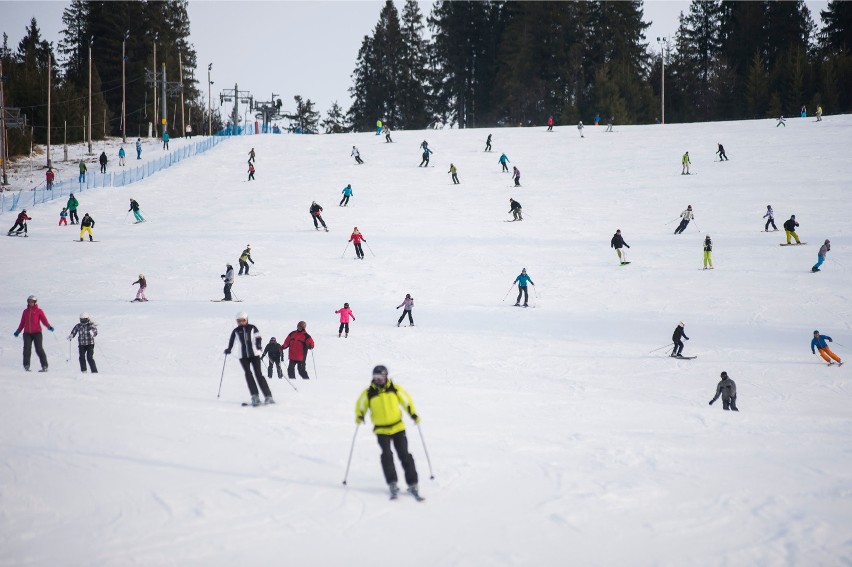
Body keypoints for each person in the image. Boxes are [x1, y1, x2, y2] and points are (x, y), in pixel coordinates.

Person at [355, 365, 421, 499]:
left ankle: (412, 483)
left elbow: (407, 401)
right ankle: (392, 482)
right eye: (375, 378)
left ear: (386, 377)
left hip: (398, 427)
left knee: (404, 455)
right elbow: (360, 405)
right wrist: (360, 415)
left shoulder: (395, 389)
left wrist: (413, 414)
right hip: (381, 429)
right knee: (386, 455)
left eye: (380, 377)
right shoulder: (369, 393)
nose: (378, 380)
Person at [225, 312, 274, 406]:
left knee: (258, 374)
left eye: (243, 320)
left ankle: (268, 396)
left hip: (255, 354)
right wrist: (229, 349)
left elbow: (258, 337)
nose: (241, 322)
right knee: (248, 374)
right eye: (239, 321)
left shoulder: (252, 327)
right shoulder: (236, 331)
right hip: (243, 356)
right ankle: (255, 396)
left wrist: (259, 345)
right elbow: (232, 341)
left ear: (247, 319)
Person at [14, 295, 54, 372]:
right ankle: (26, 365)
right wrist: (18, 331)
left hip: (37, 333)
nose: (30, 303)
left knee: (39, 349)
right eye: (29, 301)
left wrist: (49, 327)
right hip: (27, 333)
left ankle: (44, 366)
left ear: (35, 302)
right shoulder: (25, 311)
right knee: (26, 349)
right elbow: (22, 322)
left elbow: (44, 320)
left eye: (32, 302)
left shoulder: (39, 311)